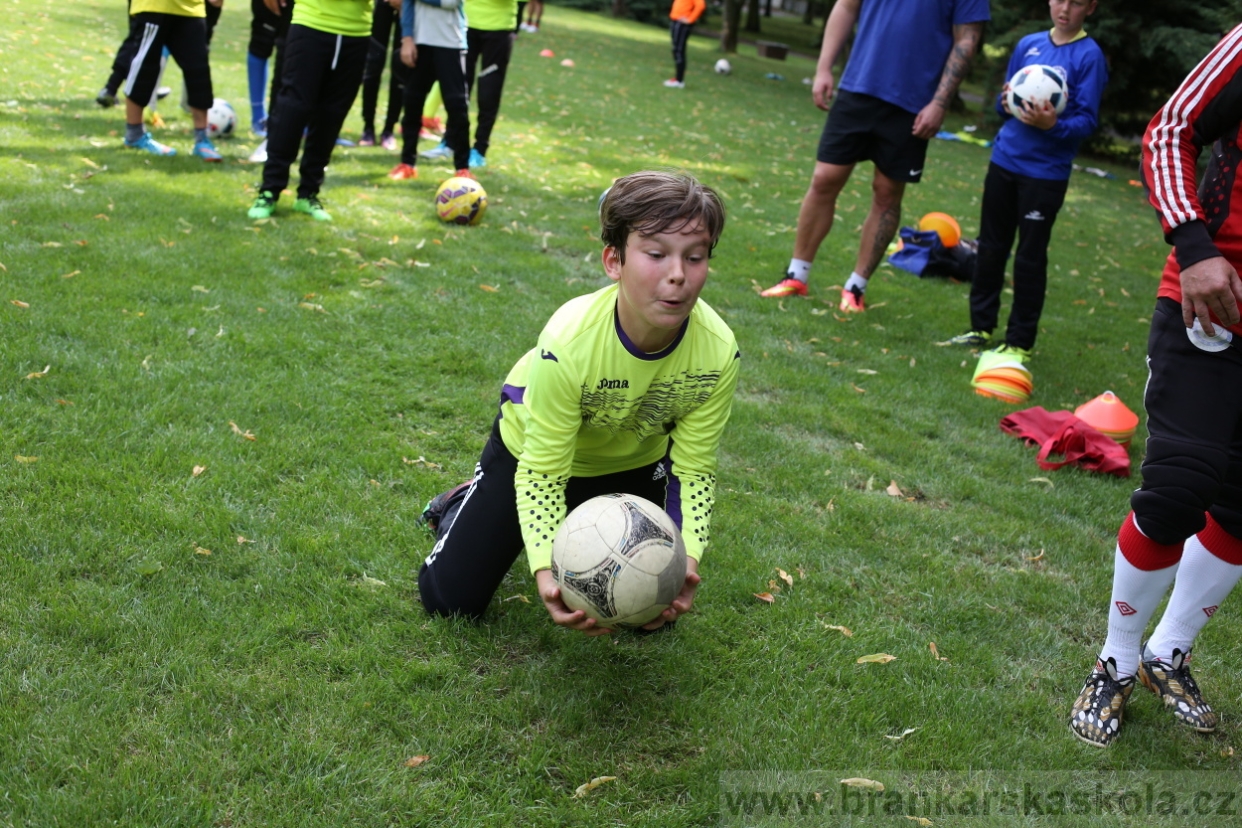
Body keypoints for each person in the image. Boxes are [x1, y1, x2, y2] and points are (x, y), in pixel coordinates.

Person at [417, 171, 739, 633]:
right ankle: (462, 502)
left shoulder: (718, 351)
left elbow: (693, 469)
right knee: (450, 603)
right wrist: (547, 571)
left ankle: (580, 513)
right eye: (656, 254)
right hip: (533, 454)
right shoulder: (569, 341)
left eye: (695, 257)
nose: (678, 275)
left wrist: (685, 561)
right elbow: (543, 469)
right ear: (615, 261)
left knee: (650, 616)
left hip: (633, 464)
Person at [1069, 22, 1242, 747]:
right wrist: (1194, 245)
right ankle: (1115, 659)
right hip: (1212, 301)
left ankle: (1167, 654)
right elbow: (1172, 128)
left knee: (1241, 505)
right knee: (1177, 486)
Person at [759, 0, 988, 312]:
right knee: (825, 179)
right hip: (858, 87)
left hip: (913, 104)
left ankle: (856, 288)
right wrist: (824, 68)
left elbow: (967, 38)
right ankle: (796, 276)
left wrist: (940, 102)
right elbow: (846, 7)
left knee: (886, 193)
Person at [945, 0, 1107, 365]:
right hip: (1005, 160)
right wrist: (1007, 102)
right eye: (1060, 0)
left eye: (1077, 2)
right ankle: (980, 328)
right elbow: (1006, 103)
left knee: (1029, 258)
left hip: (1044, 174)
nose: (1065, 9)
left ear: (1090, 8)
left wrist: (1054, 125)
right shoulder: (1028, 44)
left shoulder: (1089, 56)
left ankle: (1019, 342)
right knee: (990, 247)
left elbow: (1086, 121)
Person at [246, 0, 371, 222]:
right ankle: (269, 191)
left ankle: (308, 193)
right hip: (311, 26)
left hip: (357, 33)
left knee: (332, 115)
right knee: (292, 111)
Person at [119, 0, 222, 160]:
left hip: (192, 8)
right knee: (143, 69)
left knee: (199, 71)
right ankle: (134, 135)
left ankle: (202, 140)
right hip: (153, 6)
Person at [386, 0, 471, 181]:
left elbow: (450, 2)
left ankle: (462, 168)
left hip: (451, 42)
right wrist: (407, 38)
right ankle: (407, 163)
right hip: (419, 40)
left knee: (457, 107)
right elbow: (407, 4)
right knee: (412, 103)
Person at [457, 0, 518, 168]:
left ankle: (479, 148)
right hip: (465, 23)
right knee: (458, 87)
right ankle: (450, 141)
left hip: (499, 28)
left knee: (489, 91)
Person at [358, 0, 408, 149]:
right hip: (380, 5)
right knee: (373, 68)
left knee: (400, 69)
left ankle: (389, 130)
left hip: (406, 7)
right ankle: (368, 128)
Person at [663, 0, 704, 89]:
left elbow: (700, 6)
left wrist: (690, 19)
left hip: (682, 24)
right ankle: (677, 78)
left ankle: (679, 80)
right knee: (676, 49)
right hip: (676, 21)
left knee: (679, 50)